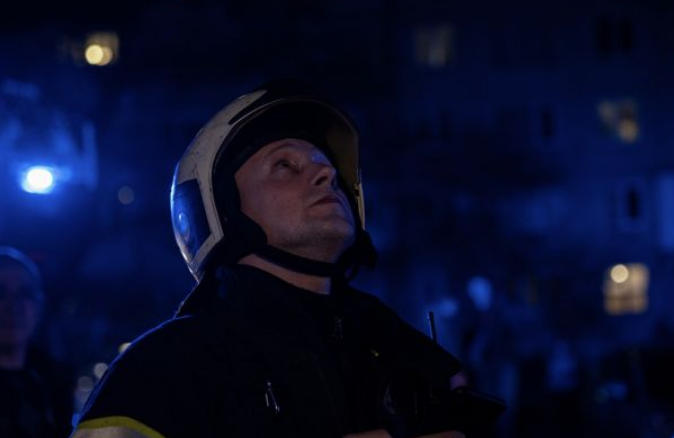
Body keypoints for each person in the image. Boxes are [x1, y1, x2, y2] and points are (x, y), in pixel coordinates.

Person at [71, 80, 500, 438]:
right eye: (285, 166)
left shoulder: (407, 361)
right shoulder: (161, 371)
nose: (327, 174)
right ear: (221, 210)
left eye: (327, 168)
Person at [0, 247, 74, 438]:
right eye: (0, 293)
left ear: (39, 307)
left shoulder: (55, 383)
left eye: (25, 293)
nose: (13, 306)